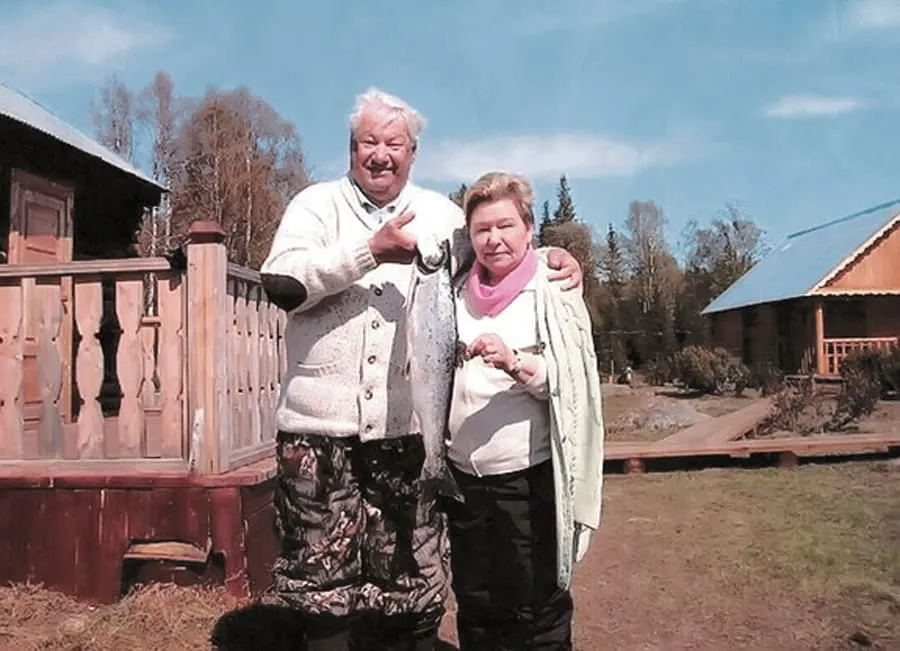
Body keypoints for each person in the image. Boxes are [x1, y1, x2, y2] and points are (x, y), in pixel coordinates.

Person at [258, 88, 583, 651]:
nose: (380, 154)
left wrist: (552, 255)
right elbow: (281, 284)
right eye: (368, 143)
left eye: (394, 144)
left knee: (408, 583)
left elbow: (498, 246)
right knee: (320, 584)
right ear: (351, 149)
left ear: (413, 153)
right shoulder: (314, 206)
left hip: (406, 435)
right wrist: (368, 251)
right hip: (316, 434)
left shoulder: (439, 215)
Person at [443, 171, 605, 650]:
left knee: (535, 605)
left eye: (505, 226)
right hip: (464, 485)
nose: (493, 239)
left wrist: (516, 363)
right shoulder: (452, 292)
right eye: (482, 229)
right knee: (476, 602)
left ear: (529, 228)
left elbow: (575, 385)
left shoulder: (553, 287)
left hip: (527, 479)